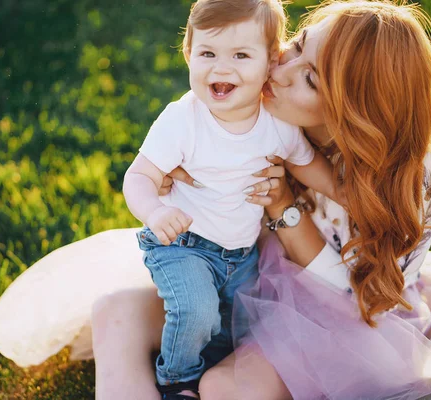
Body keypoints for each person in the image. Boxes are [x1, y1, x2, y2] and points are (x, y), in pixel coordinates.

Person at [0, 1, 431, 399]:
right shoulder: (272, 114)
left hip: (339, 322)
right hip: (242, 272)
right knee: (113, 310)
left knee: (223, 387)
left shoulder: (413, 184)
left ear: (356, 112)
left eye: (311, 78)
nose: (283, 67)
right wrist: (193, 178)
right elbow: (205, 123)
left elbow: (360, 299)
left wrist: (283, 208)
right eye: (296, 46)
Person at [123, 0, 339, 397]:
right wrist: (155, 210)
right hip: (183, 245)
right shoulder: (183, 119)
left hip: (241, 255)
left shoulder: (277, 122)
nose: (221, 68)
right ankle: (177, 380)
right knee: (197, 310)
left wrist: (349, 193)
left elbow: (308, 165)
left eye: (241, 55)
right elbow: (138, 176)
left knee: (231, 325)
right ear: (188, 54)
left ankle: (204, 362)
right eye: (207, 53)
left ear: (269, 62)